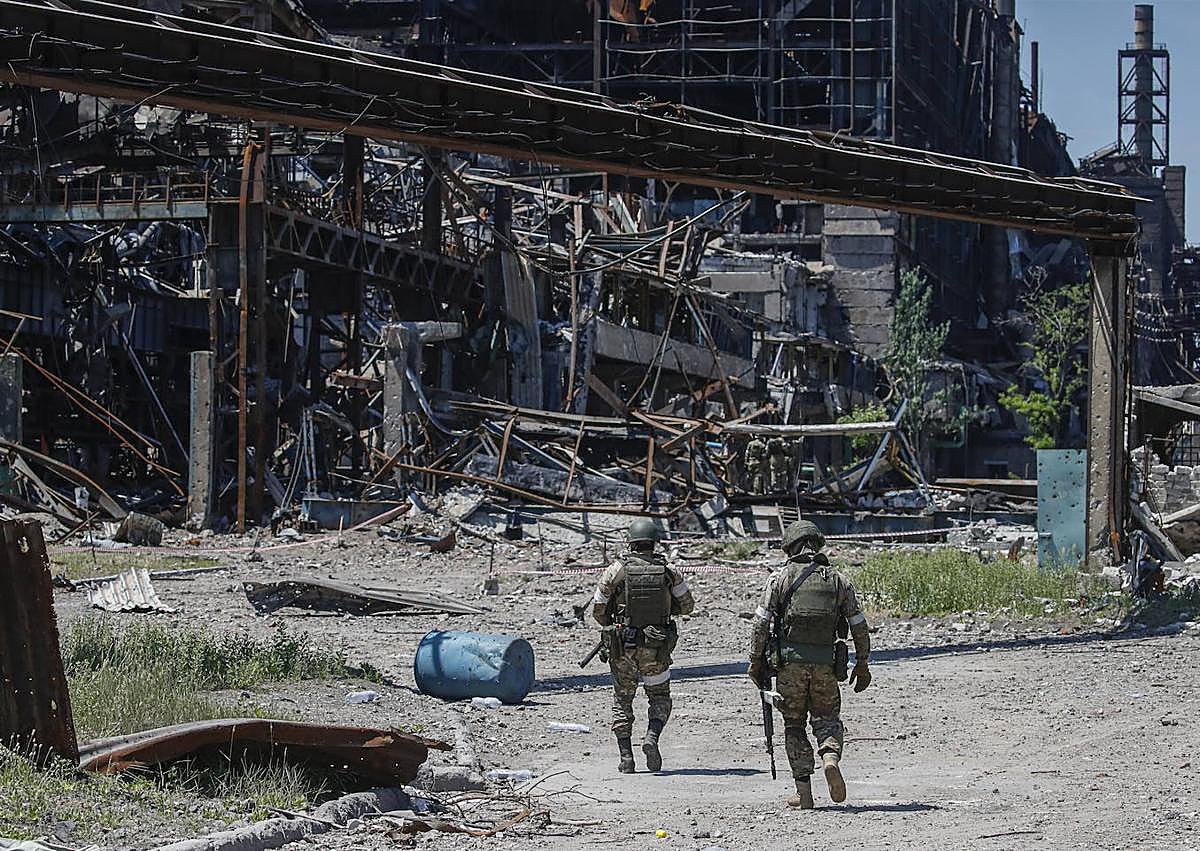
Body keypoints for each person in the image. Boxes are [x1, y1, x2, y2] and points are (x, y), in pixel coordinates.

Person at [748, 520, 872, 808]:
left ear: (789, 547)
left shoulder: (779, 579)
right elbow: (859, 626)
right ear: (817, 545)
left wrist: (755, 662)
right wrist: (862, 663)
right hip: (826, 665)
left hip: (789, 666)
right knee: (827, 718)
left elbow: (760, 624)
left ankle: (804, 793)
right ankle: (829, 758)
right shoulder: (838, 580)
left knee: (794, 724)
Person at [591, 518, 696, 773]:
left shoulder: (616, 569)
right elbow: (688, 606)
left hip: (623, 646)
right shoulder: (669, 571)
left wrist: (614, 624)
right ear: (653, 542)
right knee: (659, 695)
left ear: (631, 542)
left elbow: (598, 609)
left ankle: (626, 758)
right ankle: (652, 737)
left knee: (622, 699)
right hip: (656, 647)